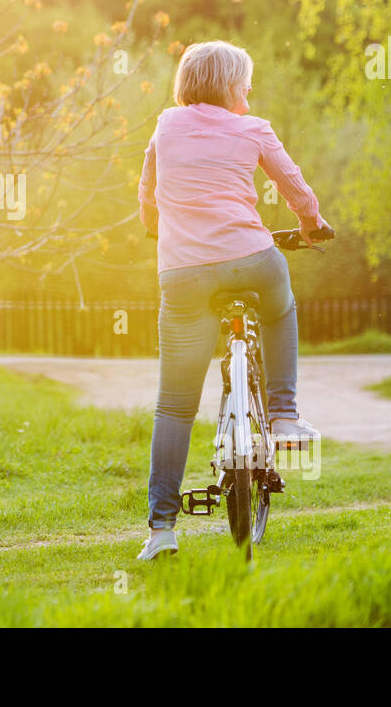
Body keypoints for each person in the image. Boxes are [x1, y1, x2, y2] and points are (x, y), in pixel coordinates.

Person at [134, 40, 329, 561]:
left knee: (174, 406)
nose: (249, 88)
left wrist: (155, 227)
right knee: (280, 306)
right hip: (251, 260)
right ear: (227, 84)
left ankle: (161, 531)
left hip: (183, 276)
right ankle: (284, 414)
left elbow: (148, 192)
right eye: (244, 79)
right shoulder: (253, 129)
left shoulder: (166, 125)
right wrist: (312, 225)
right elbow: (295, 187)